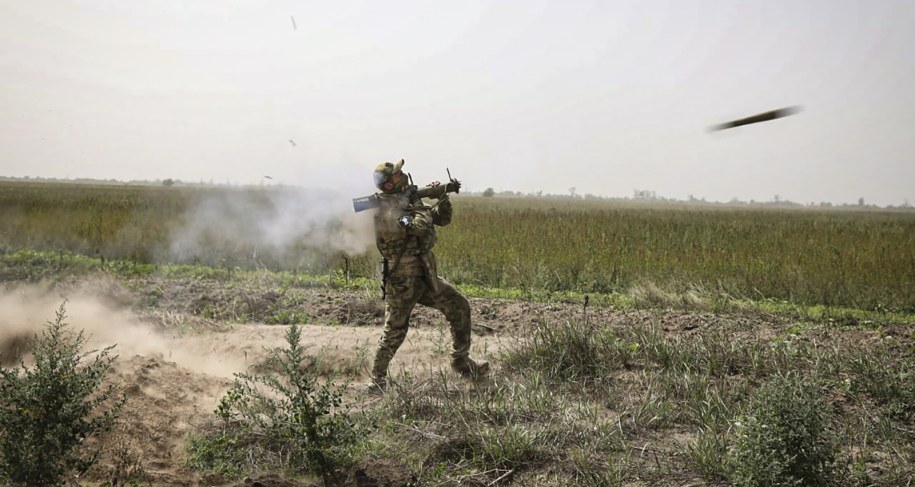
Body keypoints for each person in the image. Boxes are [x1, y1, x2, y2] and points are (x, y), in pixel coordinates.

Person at [369, 159, 488, 390]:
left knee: (459, 306)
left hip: (424, 274)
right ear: (389, 184)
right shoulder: (389, 211)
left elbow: (440, 219)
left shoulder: (403, 202)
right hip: (402, 280)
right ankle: (377, 380)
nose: (403, 174)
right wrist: (417, 201)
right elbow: (418, 225)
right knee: (395, 331)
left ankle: (461, 362)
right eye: (397, 174)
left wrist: (442, 198)